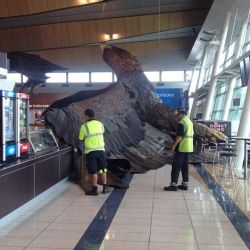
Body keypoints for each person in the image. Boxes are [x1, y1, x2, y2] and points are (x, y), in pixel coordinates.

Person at [79, 109, 111, 196]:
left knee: (93, 171)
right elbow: (102, 133)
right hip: (101, 150)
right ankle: (105, 188)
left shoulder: (84, 126)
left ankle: (94, 190)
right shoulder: (100, 124)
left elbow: (81, 138)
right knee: (103, 169)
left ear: (86, 116)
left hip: (91, 152)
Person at [164, 108, 194, 191]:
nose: (176, 117)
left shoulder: (182, 122)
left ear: (182, 114)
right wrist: (175, 133)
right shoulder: (189, 122)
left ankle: (173, 185)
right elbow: (188, 134)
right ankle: (185, 184)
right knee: (185, 166)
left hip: (182, 147)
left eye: (177, 115)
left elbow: (180, 136)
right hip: (188, 147)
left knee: (176, 166)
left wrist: (174, 146)